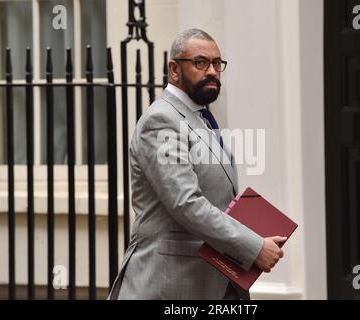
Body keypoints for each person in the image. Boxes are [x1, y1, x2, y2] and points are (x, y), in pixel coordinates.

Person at [108, 28, 286, 300]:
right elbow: (186, 203)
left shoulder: (199, 118)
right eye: (200, 63)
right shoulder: (162, 121)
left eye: (217, 63)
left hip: (217, 279)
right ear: (174, 69)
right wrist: (253, 246)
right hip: (171, 284)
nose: (212, 71)